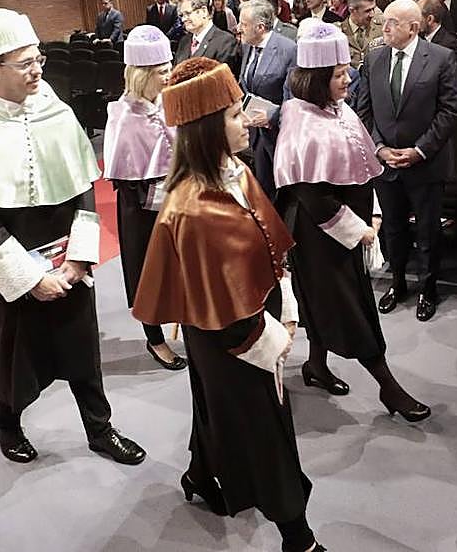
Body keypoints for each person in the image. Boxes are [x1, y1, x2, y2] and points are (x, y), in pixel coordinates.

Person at [0, 8, 146, 465]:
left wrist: (79, 258)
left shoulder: (56, 109)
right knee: (17, 355)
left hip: (67, 255)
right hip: (10, 260)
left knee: (82, 348)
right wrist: (29, 278)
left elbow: (83, 185)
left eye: (37, 60)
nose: (37, 70)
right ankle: (6, 419)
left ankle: (99, 428)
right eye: (24, 63)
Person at [133, 57, 324, 552]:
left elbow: (265, 245)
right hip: (232, 338)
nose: (248, 119)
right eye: (237, 114)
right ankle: (297, 536)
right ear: (206, 129)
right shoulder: (192, 207)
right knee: (266, 432)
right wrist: (269, 339)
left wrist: (280, 305)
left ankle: (200, 473)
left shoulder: (234, 171)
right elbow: (217, 308)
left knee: (218, 412)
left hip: (245, 323)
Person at [275, 23, 429, 422]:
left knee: (324, 302)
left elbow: (362, 168)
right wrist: (358, 229)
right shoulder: (301, 119)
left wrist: (371, 213)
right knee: (348, 307)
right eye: (339, 74)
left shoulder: (337, 110)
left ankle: (316, 365)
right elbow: (310, 193)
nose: (348, 79)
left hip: (342, 225)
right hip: (318, 231)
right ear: (316, 79)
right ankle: (388, 388)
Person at [356, 0, 457, 322]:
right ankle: (398, 282)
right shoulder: (373, 57)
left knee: (428, 232)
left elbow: (450, 111)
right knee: (393, 228)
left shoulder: (442, 58)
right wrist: (378, 148)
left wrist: (419, 150)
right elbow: (364, 111)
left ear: (414, 28)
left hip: (426, 163)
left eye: (391, 22)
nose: (383, 28)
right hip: (386, 163)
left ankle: (427, 288)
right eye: (383, 21)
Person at [103, 25, 185, 370]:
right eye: (162, 72)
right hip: (145, 210)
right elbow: (129, 182)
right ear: (142, 75)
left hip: (180, 204)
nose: (169, 76)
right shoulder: (123, 117)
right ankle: (155, 339)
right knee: (148, 275)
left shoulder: (169, 101)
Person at [237, 0, 297, 198]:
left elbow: (295, 98)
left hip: (279, 134)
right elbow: (244, 83)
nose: (238, 28)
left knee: (282, 196)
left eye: (244, 24)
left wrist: (272, 115)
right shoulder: (247, 46)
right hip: (254, 132)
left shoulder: (288, 50)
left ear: (260, 27)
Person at [174, 0, 239, 72]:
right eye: (182, 15)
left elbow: (221, 79)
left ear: (204, 11)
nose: (183, 19)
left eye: (188, 13)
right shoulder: (184, 41)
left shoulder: (226, 41)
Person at [340, 0, 385, 68]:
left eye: (373, 9)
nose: (372, 14)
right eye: (367, 11)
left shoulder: (382, 28)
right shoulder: (339, 32)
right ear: (352, 10)